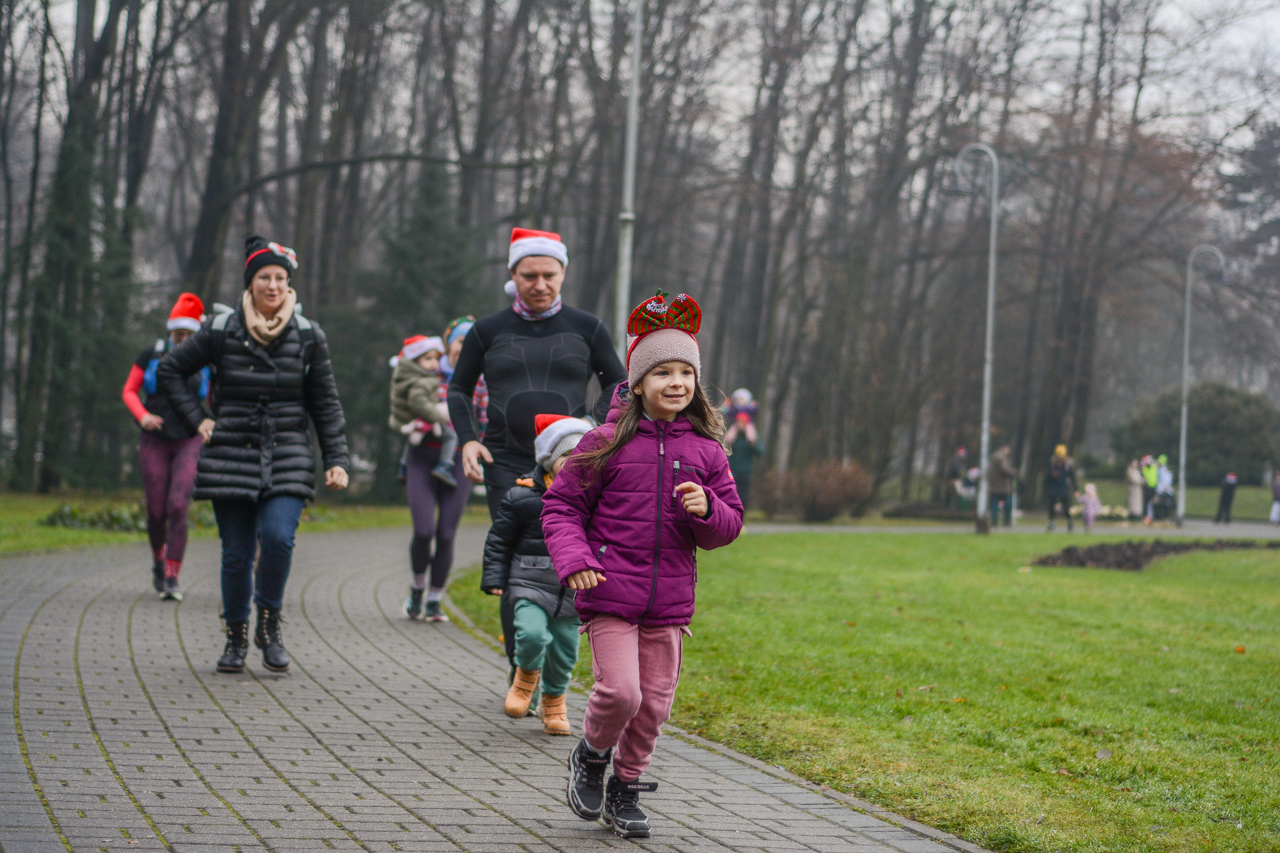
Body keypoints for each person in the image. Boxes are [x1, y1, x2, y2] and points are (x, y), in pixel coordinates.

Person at [543, 291, 744, 839]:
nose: (676, 382)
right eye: (662, 372)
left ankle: (625, 787)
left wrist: (709, 510)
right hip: (608, 590)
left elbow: (730, 525)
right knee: (621, 693)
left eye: (686, 372)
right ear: (636, 382)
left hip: (669, 602)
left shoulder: (706, 451)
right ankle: (591, 755)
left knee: (653, 704)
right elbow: (561, 506)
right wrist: (576, 559)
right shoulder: (605, 441)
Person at [158, 236, 349, 674]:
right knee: (236, 553)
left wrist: (336, 458)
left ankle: (269, 623)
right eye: (265, 277)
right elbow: (171, 370)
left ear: (288, 284)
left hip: (288, 453)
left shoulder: (307, 335)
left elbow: (325, 402)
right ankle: (236, 637)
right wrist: (198, 421)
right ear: (250, 283)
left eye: (281, 278)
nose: (274, 285)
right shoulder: (223, 331)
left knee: (279, 539)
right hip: (230, 453)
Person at [447, 227, 627, 520]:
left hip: (571, 460)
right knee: (509, 552)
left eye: (549, 275)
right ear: (513, 273)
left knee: (566, 551)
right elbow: (458, 390)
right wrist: (468, 439)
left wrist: (591, 424)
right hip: (503, 461)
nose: (540, 285)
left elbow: (619, 386)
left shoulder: (587, 327)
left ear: (564, 272)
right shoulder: (486, 331)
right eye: (530, 276)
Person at [480, 414, 593, 735]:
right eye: (568, 456)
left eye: (586, 457)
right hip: (528, 583)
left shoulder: (597, 501)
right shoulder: (522, 497)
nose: (577, 463)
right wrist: (494, 577)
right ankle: (525, 677)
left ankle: (554, 703)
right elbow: (499, 540)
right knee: (531, 635)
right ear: (549, 460)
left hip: (573, 594)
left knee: (564, 653)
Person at [121, 292, 210, 600]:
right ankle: (158, 563)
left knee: (178, 506)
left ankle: (173, 576)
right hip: (155, 438)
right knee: (157, 511)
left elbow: (216, 398)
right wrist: (143, 415)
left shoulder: (208, 360)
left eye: (189, 335)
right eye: (178, 334)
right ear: (170, 332)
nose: (183, 340)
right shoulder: (153, 353)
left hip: (189, 439)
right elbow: (130, 390)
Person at [398, 317, 485, 622]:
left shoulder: (482, 381)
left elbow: (485, 423)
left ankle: (435, 599)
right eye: (460, 340)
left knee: (446, 534)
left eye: (471, 341)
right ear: (450, 344)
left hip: (459, 461)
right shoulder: (428, 370)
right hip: (422, 458)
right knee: (424, 531)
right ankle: (417, 587)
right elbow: (402, 399)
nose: (465, 347)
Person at [389, 334, 457, 486]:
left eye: (435, 358)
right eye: (428, 359)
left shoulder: (406, 376)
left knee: (413, 439)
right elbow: (418, 402)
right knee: (451, 437)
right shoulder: (422, 381)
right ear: (415, 361)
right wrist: (437, 416)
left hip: (408, 419)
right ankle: (444, 466)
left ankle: (403, 466)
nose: (434, 363)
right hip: (423, 418)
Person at [722, 388, 762, 510]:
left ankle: (741, 521)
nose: (740, 424)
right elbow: (723, 450)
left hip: (746, 472)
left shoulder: (751, 437)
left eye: (742, 422)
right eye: (738, 422)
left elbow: (759, 452)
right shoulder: (731, 436)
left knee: (743, 497)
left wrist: (752, 442)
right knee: (729, 496)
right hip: (731, 470)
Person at [1044, 444, 1076, 532]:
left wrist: (1075, 489)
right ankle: (1051, 522)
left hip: (1063, 487)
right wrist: (1052, 475)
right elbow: (1046, 476)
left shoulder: (1068, 465)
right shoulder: (1051, 463)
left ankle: (1069, 521)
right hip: (1053, 487)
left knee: (1066, 506)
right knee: (1051, 505)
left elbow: (1072, 477)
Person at [987, 444, 1017, 526]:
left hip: (994, 484)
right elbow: (1004, 469)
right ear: (1005, 448)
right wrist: (1013, 472)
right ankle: (1006, 521)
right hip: (1002, 485)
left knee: (994, 503)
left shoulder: (994, 455)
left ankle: (994, 521)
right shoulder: (1001, 457)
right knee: (1007, 504)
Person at [1141, 455, 1158, 523]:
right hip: (1147, 487)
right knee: (1147, 502)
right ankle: (1147, 516)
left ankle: (1151, 516)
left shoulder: (1153, 467)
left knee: (1152, 502)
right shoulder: (1144, 468)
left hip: (1153, 487)